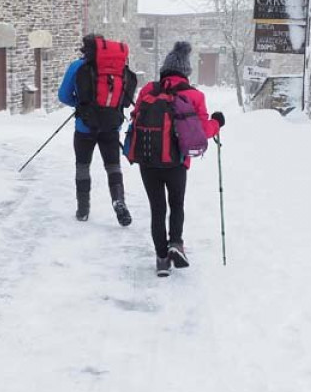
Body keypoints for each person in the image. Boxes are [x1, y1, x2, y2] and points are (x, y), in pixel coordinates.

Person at [124, 41, 225, 277]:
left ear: (165, 69)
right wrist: (218, 122)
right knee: (176, 204)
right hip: (176, 162)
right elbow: (203, 131)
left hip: (148, 160)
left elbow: (135, 116)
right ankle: (175, 244)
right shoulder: (194, 95)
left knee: (157, 208)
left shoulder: (149, 90)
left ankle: (161, 259)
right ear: (186, 72)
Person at [58, 34, 136, 226]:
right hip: (111, 126)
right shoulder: (119, 69)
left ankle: (83, 209)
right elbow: (126, 99)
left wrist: (81, 104)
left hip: (85, 127)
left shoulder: (78, 66)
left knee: (83, 166)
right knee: (113, 166)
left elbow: (63, 96)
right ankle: (119, 201)